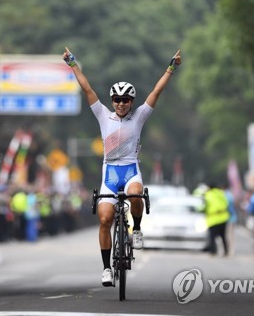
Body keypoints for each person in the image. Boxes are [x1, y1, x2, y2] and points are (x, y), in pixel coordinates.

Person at [63, 46, 181, 286]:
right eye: (117, 99)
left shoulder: (139, 116)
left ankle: (136, 228)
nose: (121, 103)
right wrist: (73, 63)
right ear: (112, 101)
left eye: (126, 100)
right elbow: (87, 88)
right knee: (105, 219)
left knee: (136, 194)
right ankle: (107, 268)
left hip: (130, 170)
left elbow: (157, 92)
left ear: (132, 101)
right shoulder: (102, 115)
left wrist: (170, 68)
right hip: (109, 173)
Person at [203, 183, 230, 256]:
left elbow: (204, 206)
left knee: (212, 237)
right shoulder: (221, 193)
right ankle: (226, 251)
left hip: (213, 218)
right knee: (223, 236)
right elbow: (227, 204)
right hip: (223, 218)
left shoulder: (208, 195)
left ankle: (213, 251)